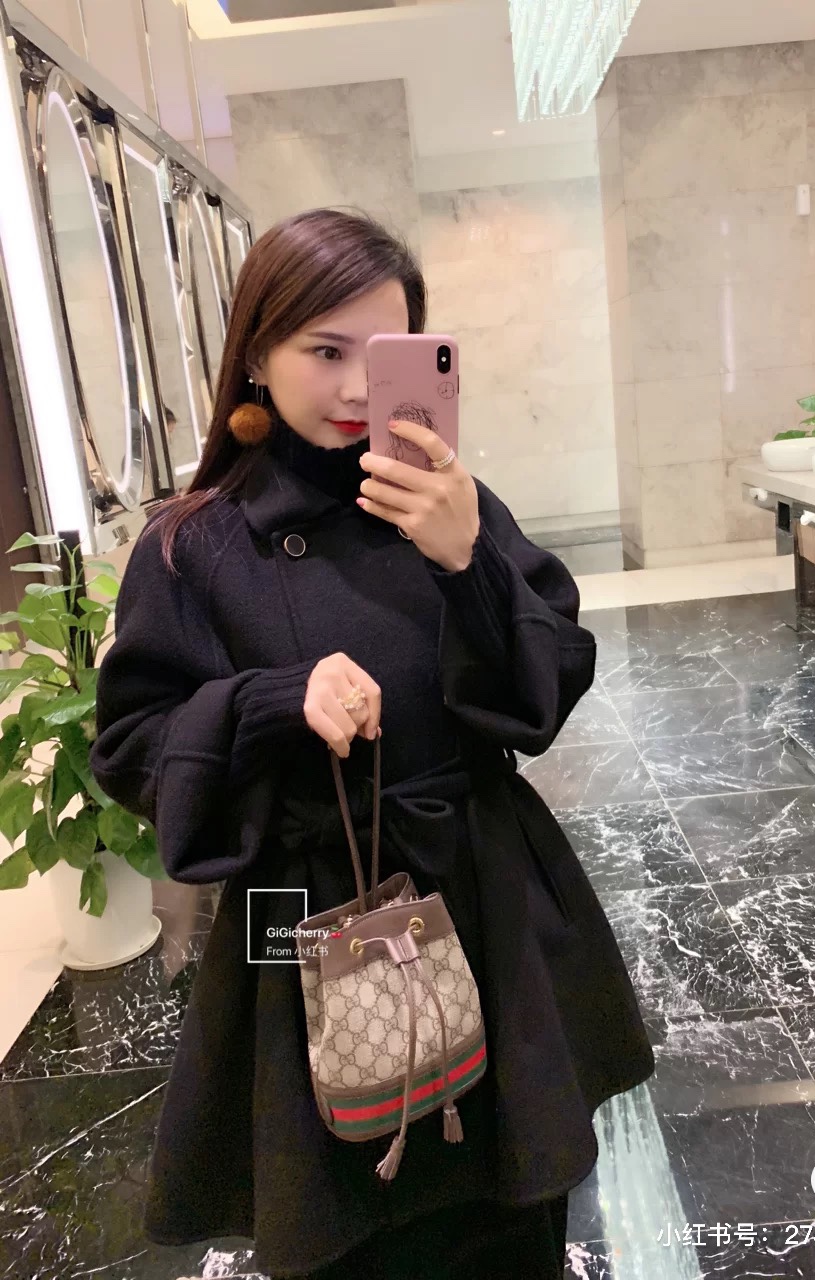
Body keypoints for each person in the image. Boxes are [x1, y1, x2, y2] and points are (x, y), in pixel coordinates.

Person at [89, 207, 656, 1280]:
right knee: (345, 1219)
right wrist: (273, 701)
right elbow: (132, 744)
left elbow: (546, 688)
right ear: (256, 354)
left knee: (510, 1208)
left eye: (382, 352)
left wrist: (465, 561)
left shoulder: (451, 503)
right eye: (324, 350)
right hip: (302, 916)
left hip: (481, 889)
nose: (357, 387)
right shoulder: (193, 544)